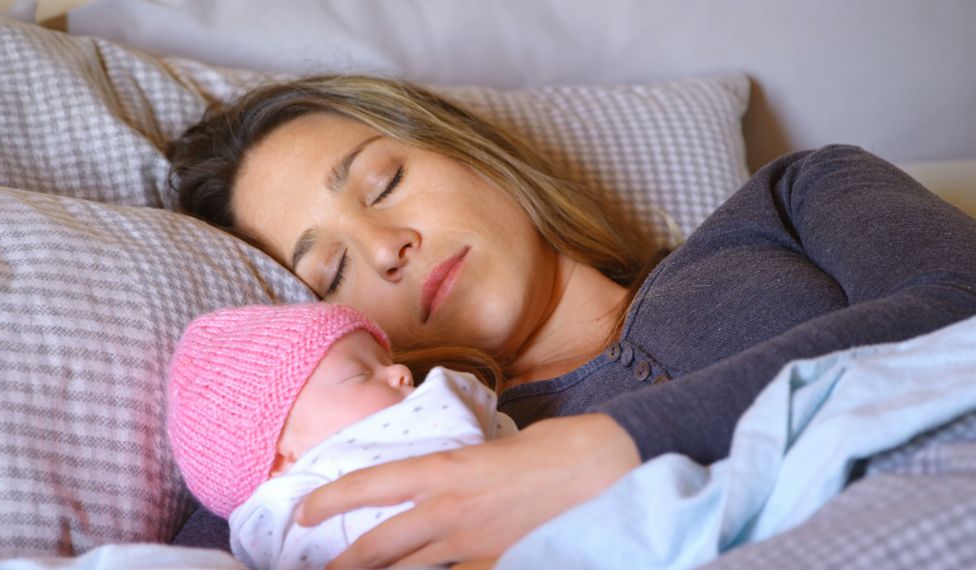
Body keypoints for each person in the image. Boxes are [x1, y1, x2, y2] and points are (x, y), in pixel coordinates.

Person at [167, 75, 976, 568]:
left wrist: (621, 444)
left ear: (468, 147)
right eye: (330, 271)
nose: (385, 249)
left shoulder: (795, 195)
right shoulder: (355, 461)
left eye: (383, 183)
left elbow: (960, 299)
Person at [167, 302, 517, 570]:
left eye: (386, 360)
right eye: (361, 374)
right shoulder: (286, 513)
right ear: (280, 457)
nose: (401, 372)